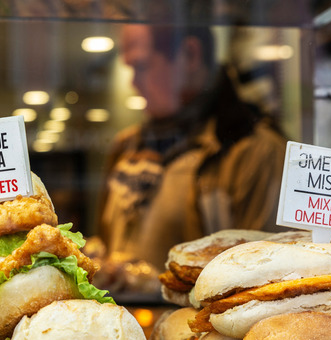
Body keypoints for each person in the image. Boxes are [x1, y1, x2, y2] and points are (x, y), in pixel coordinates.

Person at [98, 24, 287, 271]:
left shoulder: (254, 151)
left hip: (200, 311)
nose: (133, 82)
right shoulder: (127, 146)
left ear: (190, 55)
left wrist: (157, 287)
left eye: (141, 67)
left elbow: (264, 276)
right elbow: (102, 243)